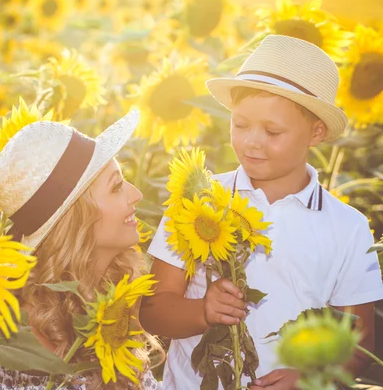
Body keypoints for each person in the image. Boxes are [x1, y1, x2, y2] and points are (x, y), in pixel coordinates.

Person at [139, 34, 383, 390]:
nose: (251, 141)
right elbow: (153, 312)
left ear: (316, 132)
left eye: (272, 131)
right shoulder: (198, 203)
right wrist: (202, 311)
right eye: (240, 125)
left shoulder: (349, 228)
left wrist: (314, 378)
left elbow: (360, 343)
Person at [0, 109, 164, 389]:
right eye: (117, 187)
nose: (137, 195)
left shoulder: (105, 292)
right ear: (76, 219)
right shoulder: (19, 340)